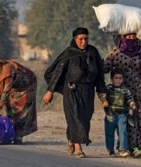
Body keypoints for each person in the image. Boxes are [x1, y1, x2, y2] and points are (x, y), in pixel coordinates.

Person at [43, 27, 106, 158]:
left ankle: (71, 138)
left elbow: (99, 73)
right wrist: (50, 91)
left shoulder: (93, 52)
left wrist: (102, 92)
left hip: (88, 91)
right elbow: (57, 72)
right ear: (74, 39)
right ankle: (78, 147)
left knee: (85, 118)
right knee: (75, 117)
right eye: (80, 39)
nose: (83, 42)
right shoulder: (69, 53)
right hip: (72, 90)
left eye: (86, 39)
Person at [103, 33, 141, 158]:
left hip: (136, 92)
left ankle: (135, 147)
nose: (131, 39)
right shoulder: (116, 53)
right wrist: (109, 55)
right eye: (128, 36)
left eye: (133, 36)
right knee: (122, 121)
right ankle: (122, 148)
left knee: (134, 120)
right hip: (119, 94)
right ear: (122, 37)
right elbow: (104, 68)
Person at [0, 56, 38, 144]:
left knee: (21, 110)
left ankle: (19, 136)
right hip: (15, 88)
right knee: (10, 108)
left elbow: (6, 91)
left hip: (28, 85)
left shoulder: (7, 71)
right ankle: (11, 132)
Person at [99, 68, 136, 157]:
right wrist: (104, 101)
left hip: (121, 115)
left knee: (123, 132)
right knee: (109, 133)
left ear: (123, 79)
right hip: (110, 115)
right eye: (116, 78)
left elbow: (129, 99)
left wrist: (132, 105)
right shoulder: (108, 88)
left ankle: (122, 149)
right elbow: (101, 94)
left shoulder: (125, 90)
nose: (118, 80)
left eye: (120, 78)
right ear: (112, 79)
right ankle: (110, 150)